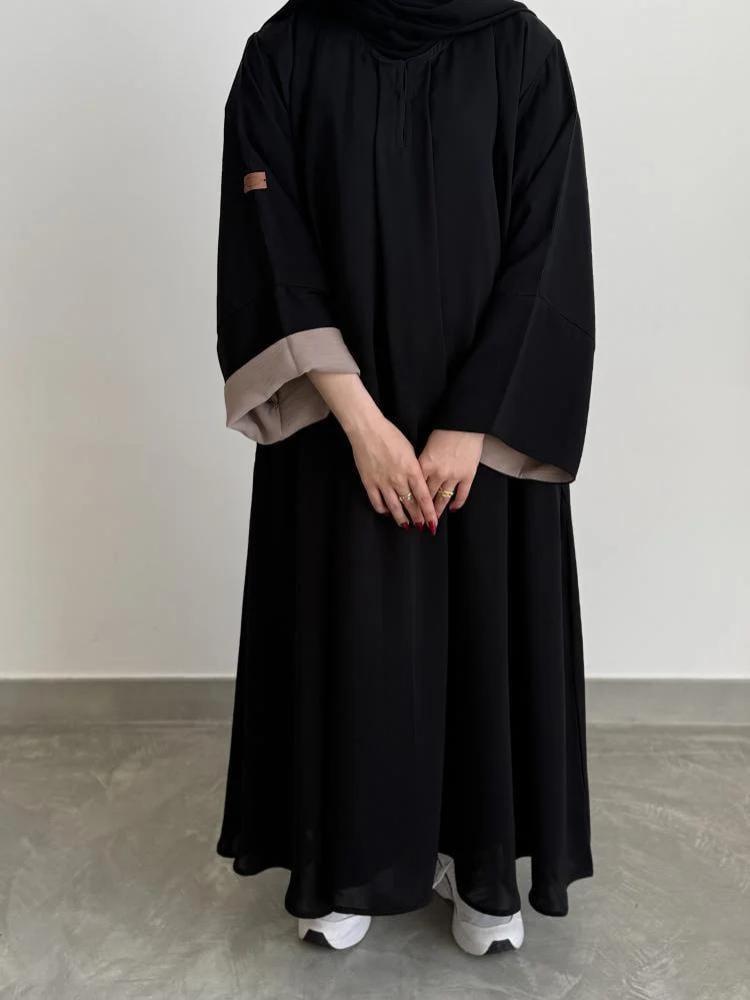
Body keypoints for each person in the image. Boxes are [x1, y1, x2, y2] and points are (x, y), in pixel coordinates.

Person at [215, 0, 595, 956]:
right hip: (340, 420)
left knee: (480, 630)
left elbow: (545, 246)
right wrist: (361, 424)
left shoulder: (522, 52)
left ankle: (480, 860)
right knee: (355, 625)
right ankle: (347, 855)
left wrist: (468, 427)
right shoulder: (286, 50)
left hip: (484, 423)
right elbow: (271, 242)